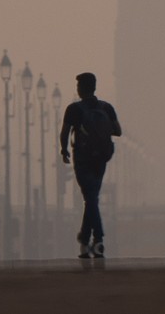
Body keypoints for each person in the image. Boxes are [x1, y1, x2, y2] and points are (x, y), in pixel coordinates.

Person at [60, 72, 121, 258]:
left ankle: (98, 238)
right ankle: (86, 239)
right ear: (94, 87)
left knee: (90, 198)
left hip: (83, 159)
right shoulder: (106, 107)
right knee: (92, 196)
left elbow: (64, 132)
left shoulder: (74, 109)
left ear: (81, 88)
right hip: (101, 158)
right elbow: (118, 131)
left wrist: (64, 150)